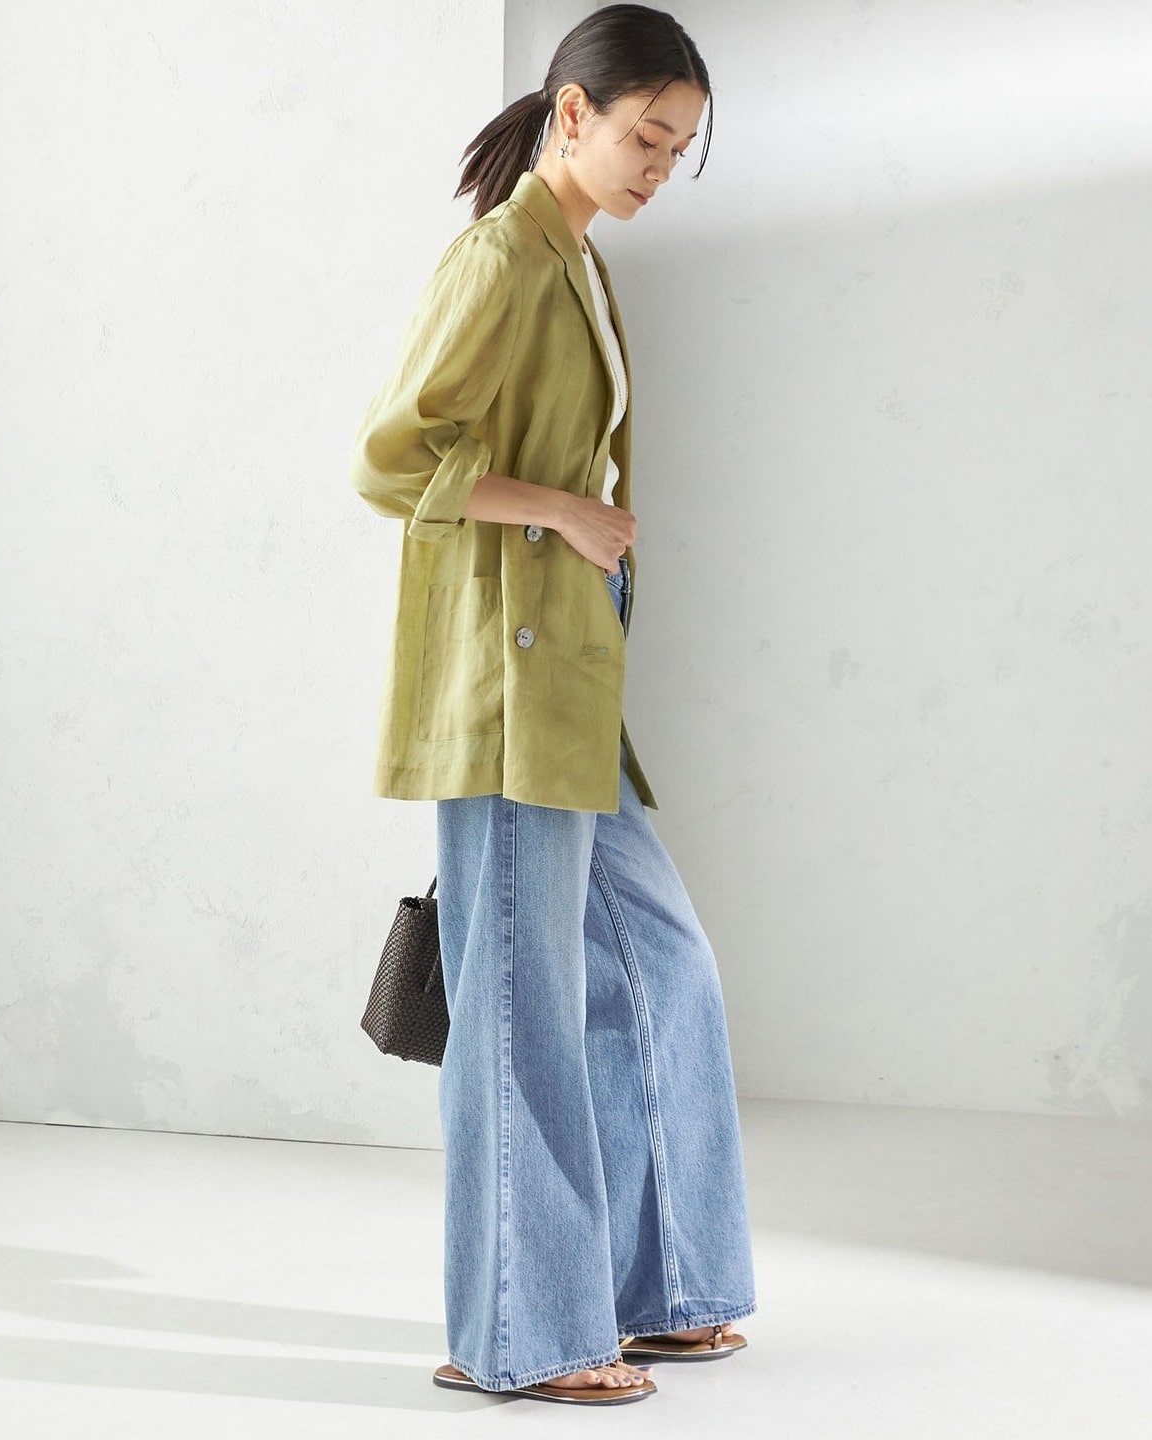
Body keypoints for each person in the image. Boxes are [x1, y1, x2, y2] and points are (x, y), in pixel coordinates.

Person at [350, 3, 756, 1407]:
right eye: (646, 137)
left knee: (662, 967)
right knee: (522, 1008)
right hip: (509, 684)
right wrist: (564, 513)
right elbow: (389, 457)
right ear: (572, 114)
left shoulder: (576, 259)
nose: (658, 167)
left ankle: (664, 1289)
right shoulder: (501, 258)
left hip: (576, 681)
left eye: (679, 149)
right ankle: (523, 1333)